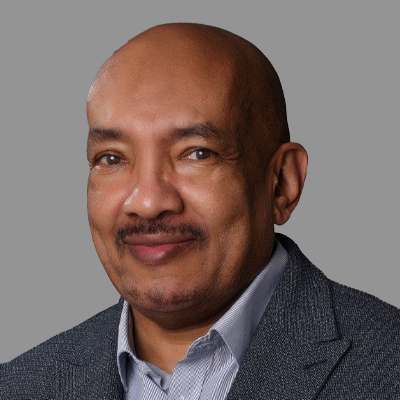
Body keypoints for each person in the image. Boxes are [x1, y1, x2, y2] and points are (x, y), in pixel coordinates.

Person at [0, 22, 399, 399]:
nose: (147, 203)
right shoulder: (20, 386)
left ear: (282, 182)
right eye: (112, 158)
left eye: (197, 153)